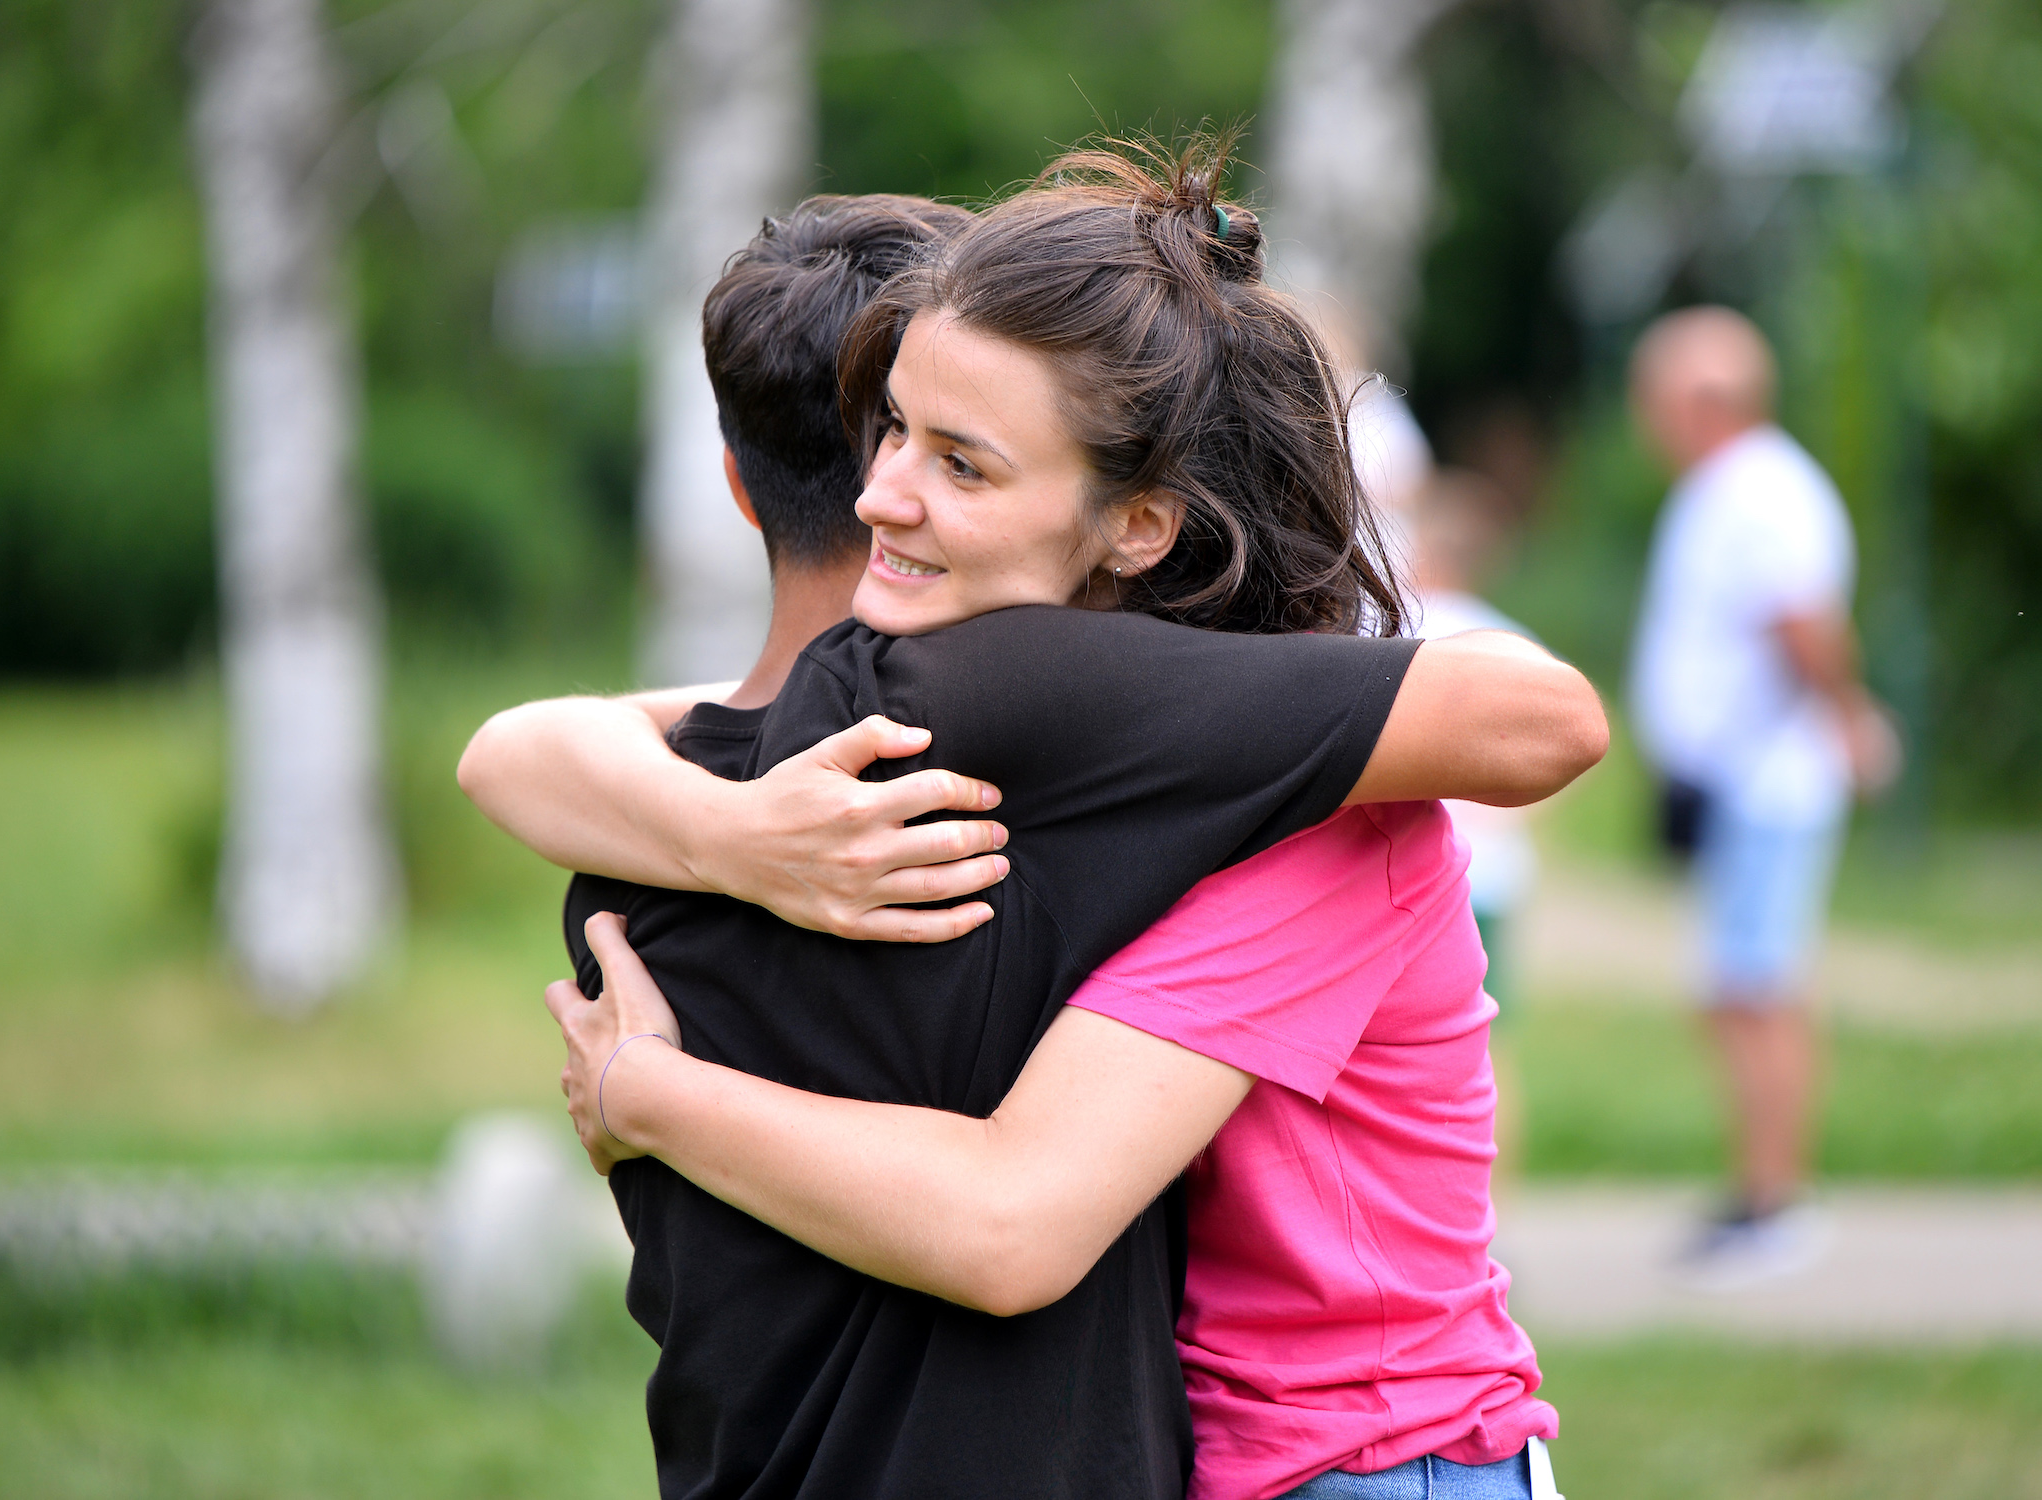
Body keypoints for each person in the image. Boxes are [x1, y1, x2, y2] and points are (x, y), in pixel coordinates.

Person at [464, 143, 1604, 1500]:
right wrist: (739, 833)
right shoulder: (975, 715)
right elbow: (538, 746)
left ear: (1137, 525)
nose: (884, 493)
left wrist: (646, 1092)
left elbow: (1012, 1223)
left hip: (1365, 1463)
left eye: (964, 463)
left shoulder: (1279, 794)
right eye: (890, 430)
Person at [1626, 306, 1900, 1286]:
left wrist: (1847, 717)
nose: (1644, 417)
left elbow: (1803, 623)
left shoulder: (1763, 493)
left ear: (1703, 400)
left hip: (1766, 780)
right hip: (1735, 779)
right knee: (1737, 984)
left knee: (1758, 986)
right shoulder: (1726, 488)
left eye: (1654, 396)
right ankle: (1759, 1187)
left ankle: (1774, 1201)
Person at [1411, 469, 1541, 1013]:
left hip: (1417, 867)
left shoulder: (1401, 627)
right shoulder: (1510, 639)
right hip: (1490, 868)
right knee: (1483, 1020)